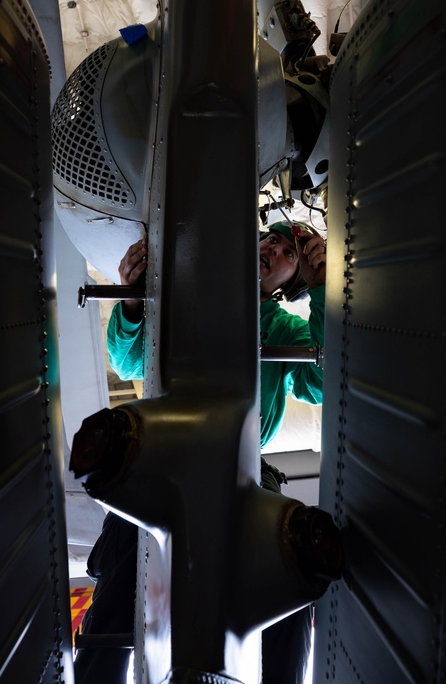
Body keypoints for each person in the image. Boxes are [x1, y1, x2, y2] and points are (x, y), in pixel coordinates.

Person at [75, 221, 327, 684]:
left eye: (289, 250)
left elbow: (325, 377)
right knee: (122, 583)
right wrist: (133, 300)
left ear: (291, 282)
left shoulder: (283, 330)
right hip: (159, 457)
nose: (273, 246)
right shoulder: (183, 297)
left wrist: (326, 293)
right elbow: (128, 359)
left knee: (290, 573)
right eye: (270, 238)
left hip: (249, 473)